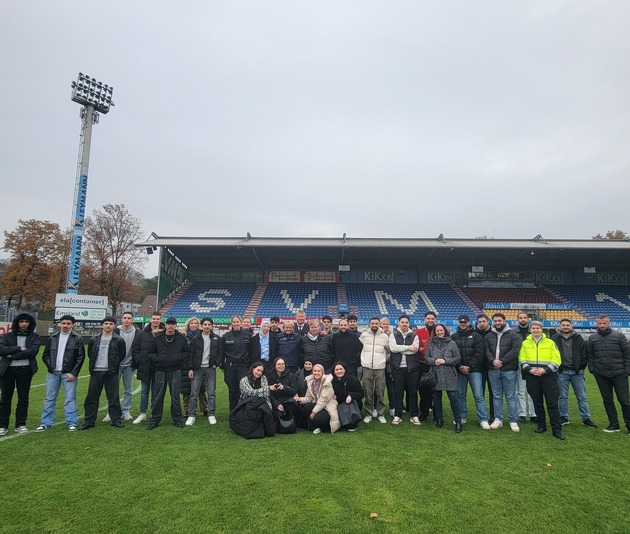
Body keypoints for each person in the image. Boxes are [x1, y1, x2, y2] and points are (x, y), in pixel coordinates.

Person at [35, 315, 85, 432]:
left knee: (70, 398)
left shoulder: (77, 338)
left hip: (68, 374)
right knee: (49, 398)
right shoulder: (52, 338)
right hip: (52, 374)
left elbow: (80, 357)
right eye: (63, 323)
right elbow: (45, 355)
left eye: (68, 324)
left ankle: (72, 422)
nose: (65, 326)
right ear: (59, 324)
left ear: (73, 325)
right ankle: (45, 423)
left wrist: (73, 373)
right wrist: (51, 367)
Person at [79, 316, 126, 430]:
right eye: (106, 323)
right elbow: (91, 353)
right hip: (96, 371)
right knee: (92, 397)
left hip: (111, 372)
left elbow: (121, 355)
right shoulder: (94, 339)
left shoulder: (118, 340)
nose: (108, 325)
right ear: (102, 325)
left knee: (113, 397)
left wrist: (113, 365)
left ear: (114, 326)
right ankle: (89, 421)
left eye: (110, 323)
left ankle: (115, 420)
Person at [518, 321, 564, 440]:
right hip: (532, 376)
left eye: (538, 328)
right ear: (530, 329)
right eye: (533, 328)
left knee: (552, 404)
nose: (536, 330)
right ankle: (541, 426)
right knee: (537, 402)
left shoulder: (550, 342)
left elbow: (557, 359)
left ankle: (556, 429)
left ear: (541, 329)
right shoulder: (525, 343)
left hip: (548, 376)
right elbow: (521, 358)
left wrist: (546, 370)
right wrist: (529, 369)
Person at [587, 314, 630, 433]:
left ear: (608, 323)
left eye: (604, 323)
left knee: (624, 401)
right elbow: (590, 356)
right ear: (597, 323)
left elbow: (627, 354)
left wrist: (627, 371)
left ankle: (629, 425)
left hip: (619, 373)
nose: (602, 325)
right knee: (607, 400)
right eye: (600, 323)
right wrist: (592, 369)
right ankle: (614, 424)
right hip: (601, 374)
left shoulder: (619, 336)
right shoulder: (592, 338)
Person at [551, 319, 597, 428]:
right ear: (560, 326)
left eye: (567, 325)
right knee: (562, 396)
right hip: (562, 372)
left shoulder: (578, 338)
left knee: (582, 396)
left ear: (571, 326)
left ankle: (586, 418)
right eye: (563, 325)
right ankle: (564, 417)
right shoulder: (554, 338)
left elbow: (584, 354)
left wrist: (581, 367)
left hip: (577, 372)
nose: (566, 327)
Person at [0, 313, 40, 435]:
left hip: (25, 370)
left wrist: (11, 355)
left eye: (26, 321)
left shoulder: (34, 336)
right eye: (21, 321)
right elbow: (1, 350)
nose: (24, 324)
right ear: (17, 322)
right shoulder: (6, 336)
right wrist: (18, 348)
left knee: (23, 399)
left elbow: (32, 352)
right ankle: (2, 425)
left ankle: (20, 424)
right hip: (8, 371)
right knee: (5, 399)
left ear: (30, 323)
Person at [147, 317, 188, 430]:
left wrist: (178, 358)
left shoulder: (181, 338)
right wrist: (158, 358)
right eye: (169, 324)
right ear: (165, 325)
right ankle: (155, 419)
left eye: (173, 324)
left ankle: (177, 419)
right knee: (158, 396)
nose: (170, 326)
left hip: (175, 370)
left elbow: (186, 352)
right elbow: (150, 353)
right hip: (160, 370)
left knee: (175, 396)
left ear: (176, 325)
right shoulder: (158, 338)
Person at [485, 313, 522, 432]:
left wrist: (502, 361)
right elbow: (486, 350)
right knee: (496, 396)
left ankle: (513, 420)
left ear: (504, 321)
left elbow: (515, 350)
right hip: (493, 369)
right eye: (495, 321)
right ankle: (498, 419)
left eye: (499, 320)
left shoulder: (514, 335)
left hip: (509, 369)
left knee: (510, 396)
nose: (497, 323)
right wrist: (492, 361)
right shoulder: (488, 335)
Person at [451, 315, 488, 429]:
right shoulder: (454, 336)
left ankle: (483, 418)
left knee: (478, 395)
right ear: (458, 323)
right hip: (460, 370)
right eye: (461, 322)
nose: (463, 324)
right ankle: (462, 416)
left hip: (475, 370)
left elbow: (479, 354)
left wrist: (469, 366)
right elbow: (452, 353)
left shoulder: (476, 336)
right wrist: (459, 366)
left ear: (468, 323)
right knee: (460, 395)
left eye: (465, 322)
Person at [425, 324, 462, 432]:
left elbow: (457, 358)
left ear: (444, 331)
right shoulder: (431, 344)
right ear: (435, 332)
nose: (439, 332)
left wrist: (445, 361)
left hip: (449, 374)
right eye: (437, 330)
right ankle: (439, 419)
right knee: (437, 399)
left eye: (441, 330)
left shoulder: (452, 343)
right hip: (436, 374)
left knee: (453, 399)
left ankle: (458, 421)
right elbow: (427, 358)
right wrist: (434, 360)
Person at [186, 317, 222, 426]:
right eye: (205, 324)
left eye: (209, 324)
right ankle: (191, 415)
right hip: (197, 369)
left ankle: (211, 414)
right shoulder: (195, 339)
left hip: (210, 369)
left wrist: (216, 363)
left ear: (212, 326)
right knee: (194, 393)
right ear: (201, 326)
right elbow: (190, 355)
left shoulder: (217, 338)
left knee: (211, 393)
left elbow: (221, 352)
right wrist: (190, 368)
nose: (207, 326)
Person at [104, 311, 139, 423]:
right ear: (121, 319)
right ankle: (110, 412)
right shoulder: (115, 331)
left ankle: (125, 411)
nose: (127, 320)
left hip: (129, 365)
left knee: (128, 390)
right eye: (125, 318)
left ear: (132, 320)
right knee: (112, 390)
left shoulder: (137, 332)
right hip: (116, 365)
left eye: (129, 318)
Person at [389, 314, 421, 425]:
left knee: (412, 392)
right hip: (397, 368)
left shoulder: (414, 335)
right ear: (399, 323)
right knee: (398, 392)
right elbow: (393, 349)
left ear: (409, 324)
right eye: (402, 322)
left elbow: (415, 350)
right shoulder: (393, 335)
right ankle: (398, 415)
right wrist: (408, 347)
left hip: (412, 368)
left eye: (406, 322)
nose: (404, 324)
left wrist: (400, 349)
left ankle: (414, 415)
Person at [131, 312, 162, 424]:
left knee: (155, 391)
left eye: (157, 319)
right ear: (150, 319)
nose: (155, 321)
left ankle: (154, 413)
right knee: (144, 391)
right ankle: (142, 413)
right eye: (154, 319)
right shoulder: (142, 333)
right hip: (145, 367)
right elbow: (135, 348)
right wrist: (139, 360)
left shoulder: (164, 333)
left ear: (160, 320)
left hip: (158, 368)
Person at [359, 317, 389, 424]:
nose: (374, 325)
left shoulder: (385, 336)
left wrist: (385, 359)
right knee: (367, 391)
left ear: (379, 324)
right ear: (370, 324)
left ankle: (381, 413)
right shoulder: (364, 335)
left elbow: (389, 350)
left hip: (380, 367)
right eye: (373, 323)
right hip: (367, 367)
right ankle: (368, 413)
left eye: (376, 323)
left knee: (380, 391)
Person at [294, 364, 340, 434]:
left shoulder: (327, 382)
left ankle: (325, 427)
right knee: (306, 407)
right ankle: (315, 425)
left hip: (327, 406)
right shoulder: (311, 381)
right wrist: (300, 399)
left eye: (319, 371)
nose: (316, 373)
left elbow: (323, 400)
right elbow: (309, 397)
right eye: (315, 371)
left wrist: (314, 412)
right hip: (318, 405)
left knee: (317, 419)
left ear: (322, 372)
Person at [221, 315, 253, 411]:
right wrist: (222, 365)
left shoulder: (248, 335)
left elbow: (251, 351)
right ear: (232, 323)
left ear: (241, 322)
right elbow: (222, 352)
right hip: (230, 366)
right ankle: (233, 411)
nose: (236, 324)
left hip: (243, 366)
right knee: (232, 389)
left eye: (237, 322)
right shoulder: (226, 336)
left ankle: (241, 410)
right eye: (234, 322)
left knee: (242, 389)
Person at [513, 312, 537, 423]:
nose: (523, 319)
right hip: (518, 363)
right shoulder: (513, 332)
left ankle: (533, 414)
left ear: (528, 319)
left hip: (532, 363)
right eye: (520, 318)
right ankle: (522, 413)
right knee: (520, 390)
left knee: (532, 389)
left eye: (524, 318)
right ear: (517, 319)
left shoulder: (533, 331)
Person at [181, 317, 207, 418]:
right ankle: (187, 410)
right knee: (186, 389)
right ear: (188, 324)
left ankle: (205, 408)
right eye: (191, 323)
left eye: (195, 323)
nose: (193, 325)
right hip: (185, 366)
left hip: (199, 365)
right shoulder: (183, 336)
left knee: (201, 388)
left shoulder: (202, 336)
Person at [415, 311, 436, 421]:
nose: (430, 320)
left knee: (435, 388)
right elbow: (415, 348)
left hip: (435, 365)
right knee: (423, 389)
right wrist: (419, 350)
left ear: (435, 319)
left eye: (432, 318)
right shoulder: (418, 332)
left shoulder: (439, 331)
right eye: (428, 318)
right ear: (425, 319)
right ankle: (424, 411)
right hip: (422, 364)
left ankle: (435, 410)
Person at [332, 362, 364, 431]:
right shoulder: (332, 381)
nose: (339, 371)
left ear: (345, 370)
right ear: (334, 371)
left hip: (351, 403)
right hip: (339, 404)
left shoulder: (352, 379)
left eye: (341, 369)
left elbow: (361, 393)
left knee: (349, 425)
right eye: (337, 370)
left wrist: (351, 396)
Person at [474, 314, 494, 422]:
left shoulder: (494, 333)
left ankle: (493, 415)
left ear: (488, 322)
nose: (482, 323)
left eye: (483, 321)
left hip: (492, 367)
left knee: (493, 393)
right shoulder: (474, 334)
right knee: (479, 394)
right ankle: (481, 416)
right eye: (480, 322)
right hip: (478, 368)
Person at [380, 317, 396, 417]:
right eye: (383, 324)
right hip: (379, 366)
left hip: (389, 366)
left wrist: (386, 359)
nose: (385, 326)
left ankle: (392, 408)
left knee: (391, 388)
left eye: (387, 324)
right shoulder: (376, 335)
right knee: (378, 389)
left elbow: (393, 350)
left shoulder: (392, 335)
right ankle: (376, 407)